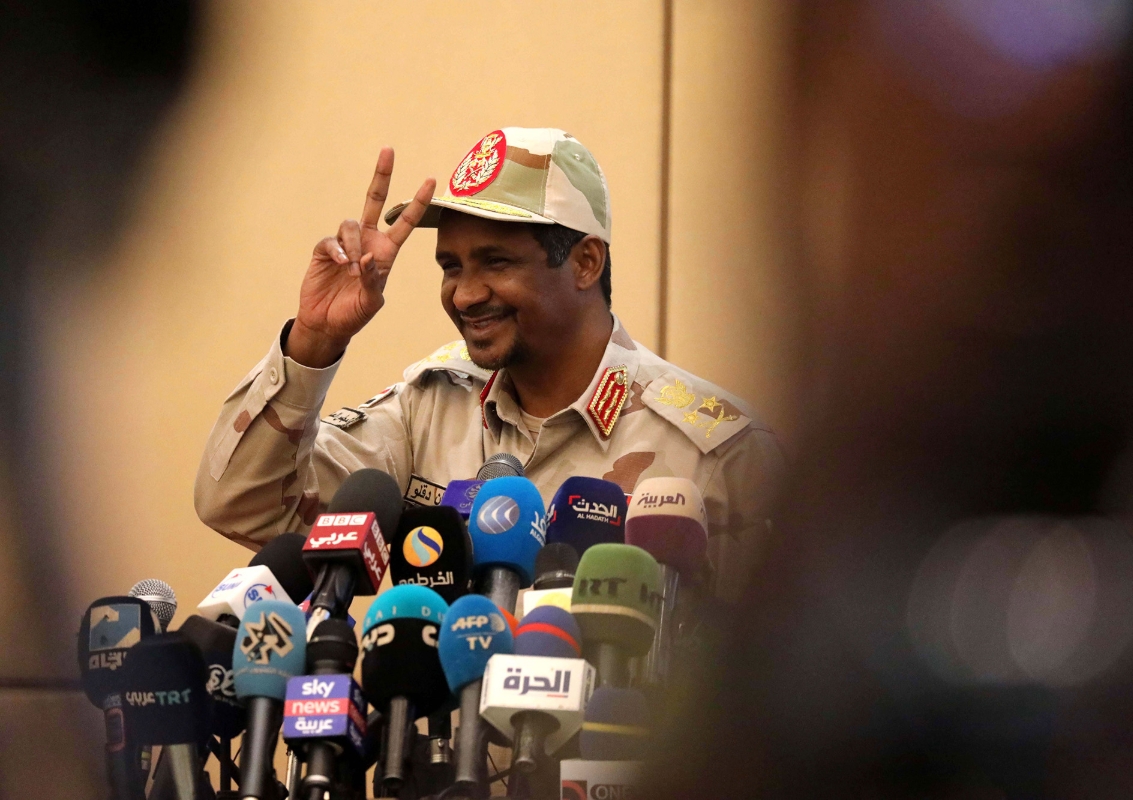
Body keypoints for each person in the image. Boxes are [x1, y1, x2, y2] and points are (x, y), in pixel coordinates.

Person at [194, 127, 784, 600]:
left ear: (585, 263)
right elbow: (245, 506)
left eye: (496, 262)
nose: (465, 294)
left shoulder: (720, 457)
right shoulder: (430, 405)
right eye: (451, 266)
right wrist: (314, 339)